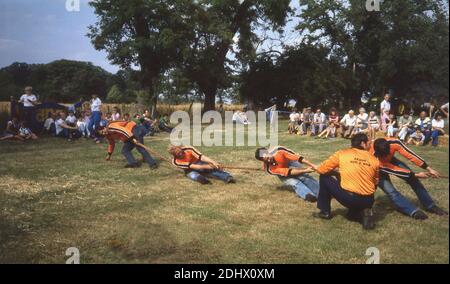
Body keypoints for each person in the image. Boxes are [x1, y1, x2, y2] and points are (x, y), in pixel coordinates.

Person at [313, 133, 379, 230]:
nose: (371, 145)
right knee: (350, 216)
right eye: (369, 142)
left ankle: (325, 212)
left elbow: (321, 170)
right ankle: (363, 212)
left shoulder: (342, 153)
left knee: (324, 177)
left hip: (350, 198)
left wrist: (334, 172)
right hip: (369, 200)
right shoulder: (374, 160)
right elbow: (375, 183)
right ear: (363, 144)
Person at [371, 138, 447, 219]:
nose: (386, 156)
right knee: (391, 191)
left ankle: (430, 206)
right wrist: (416, 175)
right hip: (377, 170)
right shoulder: (373, 158)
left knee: (414, 181)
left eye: (387, 153)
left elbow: (411, 155)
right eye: (383, 155)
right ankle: (412, 211)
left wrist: (429, 168)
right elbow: (396, 171)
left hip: (391, 161)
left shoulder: (394, 143)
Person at [254, 146, 319, 202]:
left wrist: (312, 165)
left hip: (290, 161)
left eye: (268, 158)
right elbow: (289, 172)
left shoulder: (279, 150)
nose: (268, 161)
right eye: (265, 160)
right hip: (283, 173)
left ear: (268, 152)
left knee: (303, 177)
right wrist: (305, 170)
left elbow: (298, 158)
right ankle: (308, 195)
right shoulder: (269, 169)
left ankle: (320, 190)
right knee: (294, 183)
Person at [168, 145, 235, 184]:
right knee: (194, 175)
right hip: (189, 169)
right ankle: (203, 180)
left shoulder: (189, 149)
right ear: (174, 155)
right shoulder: (175, 162)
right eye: (178, 154)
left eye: (180, 151)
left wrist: (213, 162)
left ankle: (227, 177)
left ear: (180, 148)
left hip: (198, 162)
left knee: (211, 170)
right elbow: (193, 166)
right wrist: (207, 166)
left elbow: (202, 157)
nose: (181, 154)